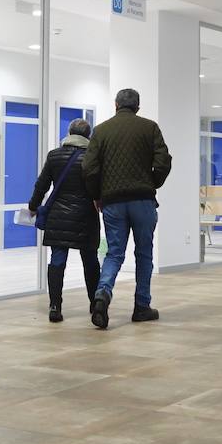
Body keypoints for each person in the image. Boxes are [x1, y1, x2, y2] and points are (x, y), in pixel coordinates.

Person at [83, 88, 172, 329]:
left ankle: (102, 294)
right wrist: (151, 183)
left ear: (116, 105)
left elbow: (89, 167)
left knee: (114, 253)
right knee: (144, 253)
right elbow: (163, 161)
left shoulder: (101, 130)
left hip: (112, 201)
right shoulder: (149, 127)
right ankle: (142, 306)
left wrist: (96, 195)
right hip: (143, 200)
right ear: (138, 106)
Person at [28, 119, 100, 323]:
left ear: (69, 133)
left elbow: (41, 185)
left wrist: (33, 206)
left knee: (57, 261)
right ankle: (95, 304)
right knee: (90, 261)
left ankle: (55, 306)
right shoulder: (92, 157)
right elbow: (97, 186)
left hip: (58, 216)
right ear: (88, 135)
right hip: (85, 215)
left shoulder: (54, 155)